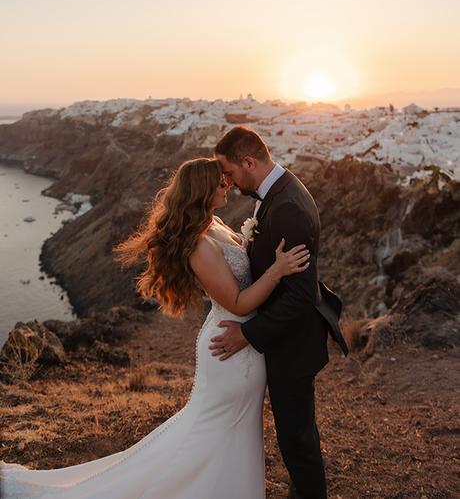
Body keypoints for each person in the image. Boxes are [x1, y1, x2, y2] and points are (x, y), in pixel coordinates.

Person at [0, 157, 310, 499]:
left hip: (243, 345)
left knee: (232, 433)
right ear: (202, 190)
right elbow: (237, 302)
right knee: (210, 434)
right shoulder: (198, 245)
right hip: (229, 347)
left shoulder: (216, 224)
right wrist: (276, 272)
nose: (228, 186)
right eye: (220, 183)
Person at [213, 126, 348, 499]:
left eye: (229, 172)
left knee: (298, 441)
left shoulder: (286, 206)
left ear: (249, 162)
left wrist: (247, 334)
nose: (227, 180)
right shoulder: (279, 190)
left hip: (291, 343)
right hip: (287, 338)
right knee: (295, 436)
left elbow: (300, 296)